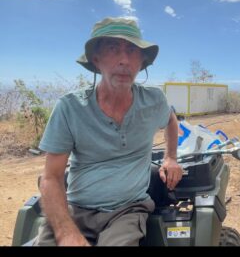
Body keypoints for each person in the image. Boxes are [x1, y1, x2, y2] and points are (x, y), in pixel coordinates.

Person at [34, 17, 183, 246]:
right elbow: (51, 177)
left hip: (128, 210)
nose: (124, 60)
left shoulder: (153, 100)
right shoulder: (70, 108)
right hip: (76, 208)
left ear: (142, 61)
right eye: (113, 49)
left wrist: (170, 157)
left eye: (132, 50)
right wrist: (66, 233)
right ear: (96, 59)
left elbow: (171, 121)